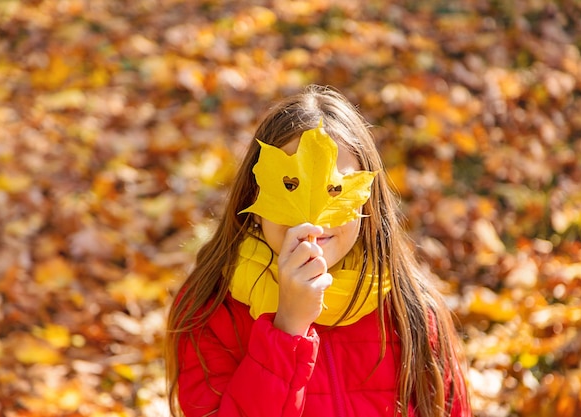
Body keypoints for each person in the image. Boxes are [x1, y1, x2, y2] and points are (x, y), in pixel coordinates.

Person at [165, 85, 471, 417]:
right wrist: (287, 329)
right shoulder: (210, 310)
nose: (311, 217)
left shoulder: (409, 308)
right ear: (254, 197)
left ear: (367, 198)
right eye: (290, 185)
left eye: (335, 189)